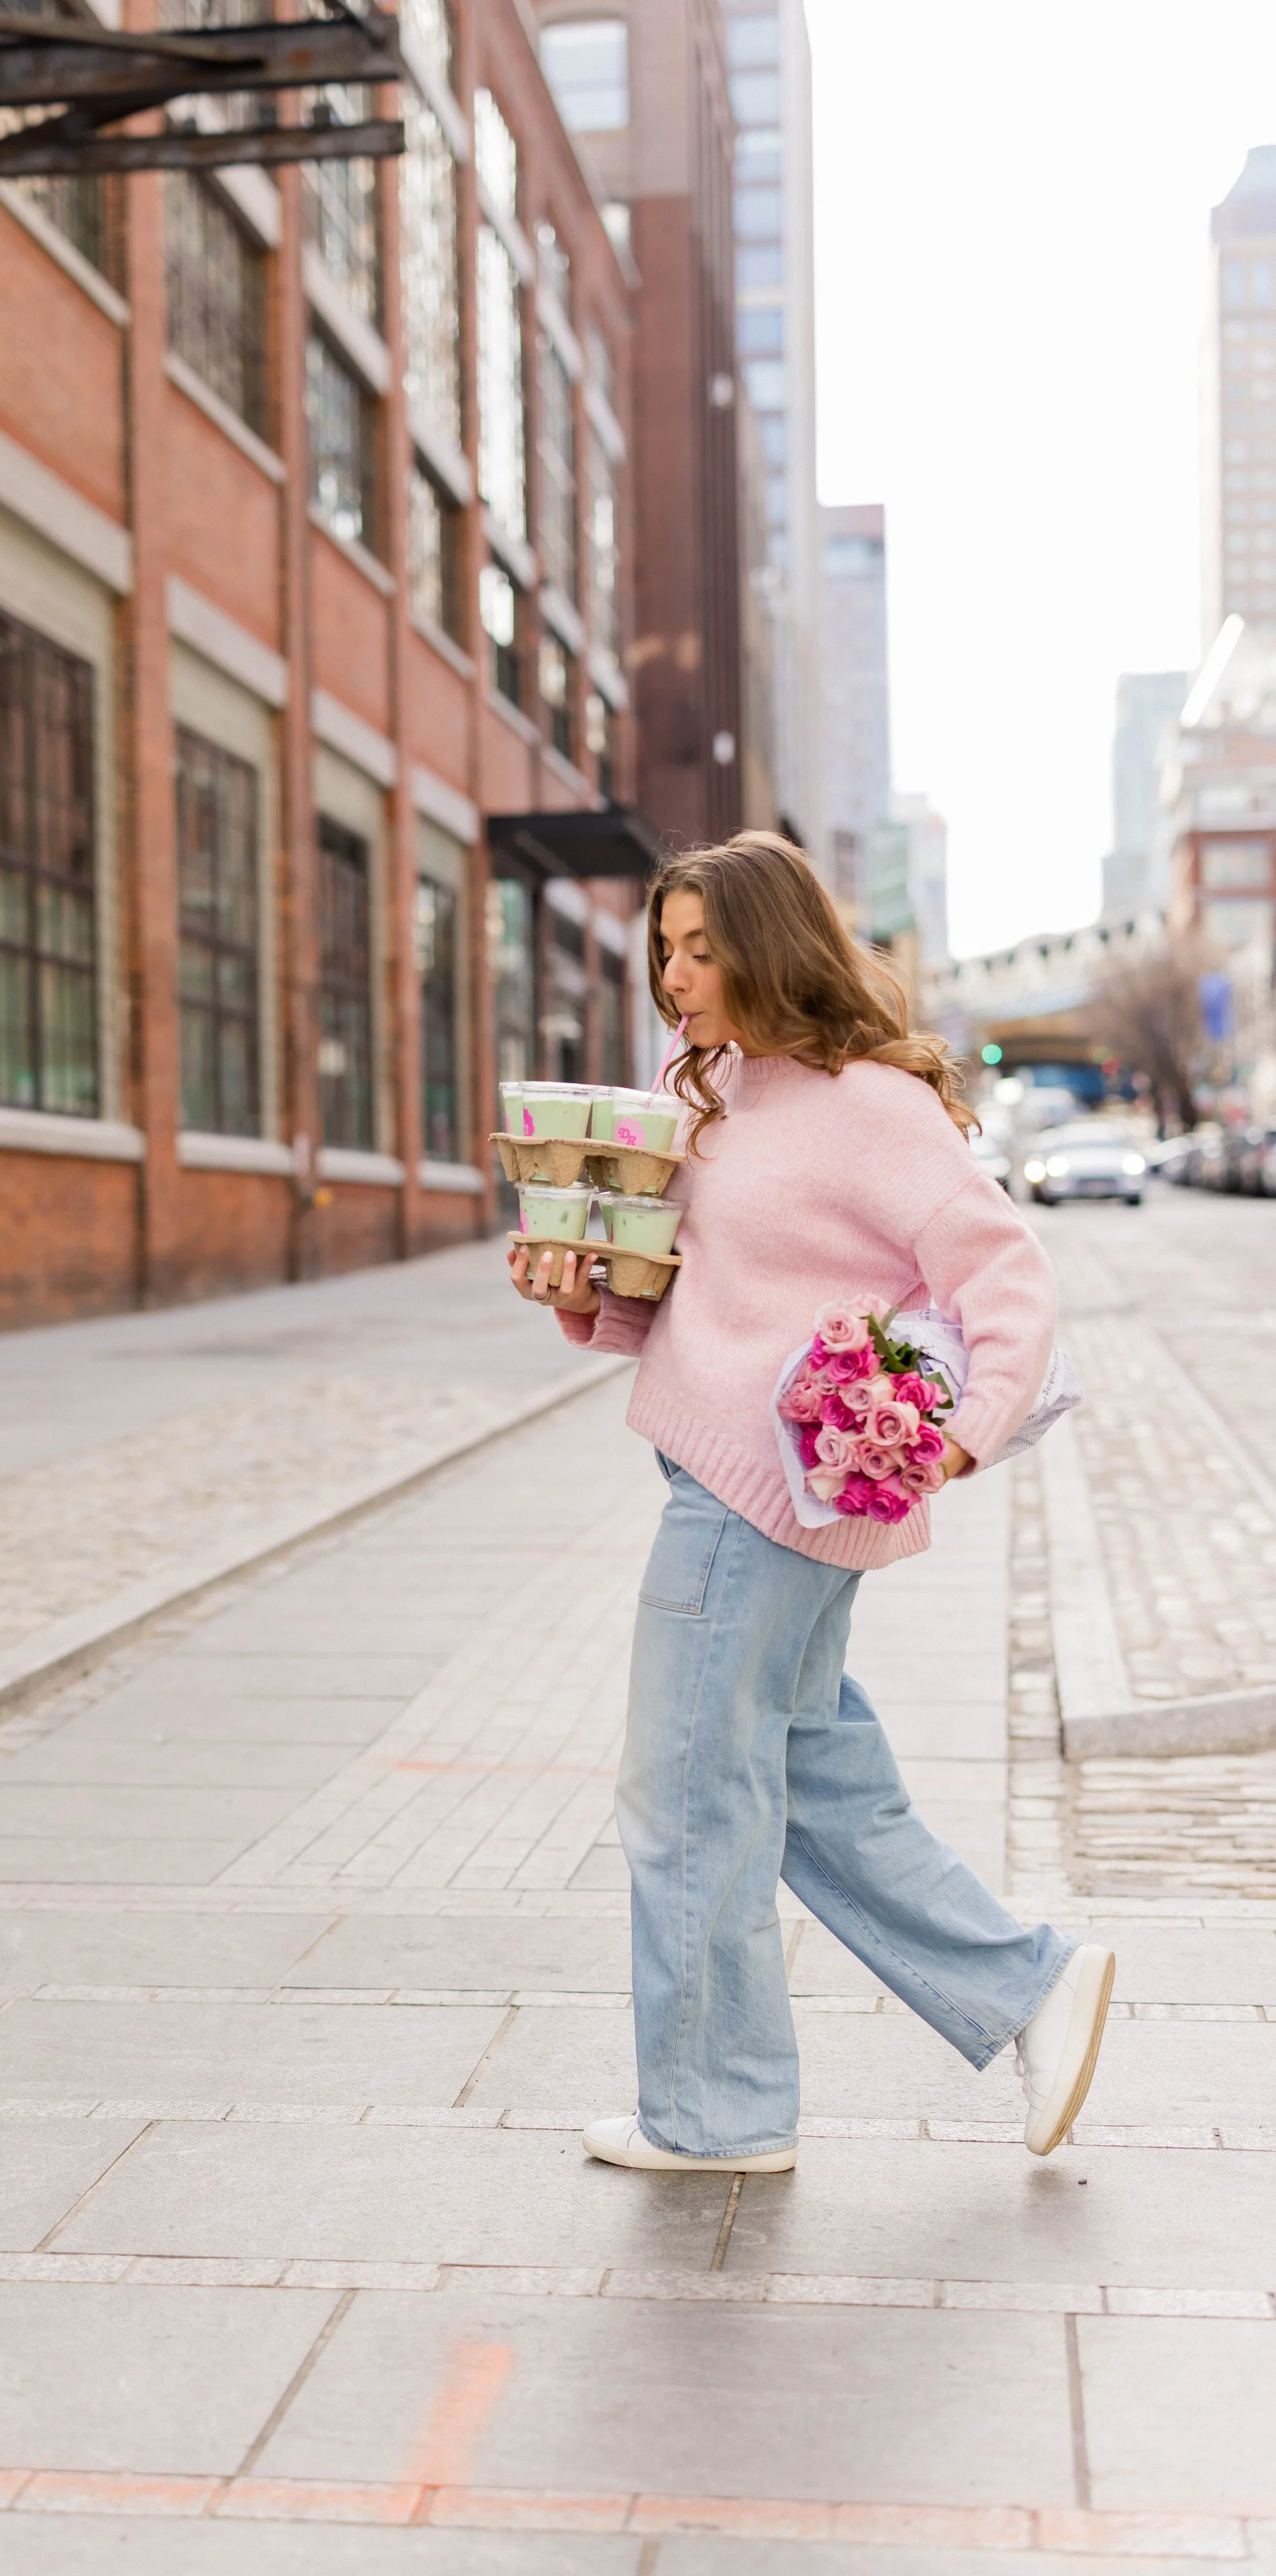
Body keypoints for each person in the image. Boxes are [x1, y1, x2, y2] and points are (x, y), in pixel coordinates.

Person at [509, 833, 1112, 2173]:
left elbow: (1005, 1276)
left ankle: (715, 2113)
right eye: (662, 949)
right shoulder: (715, 1089)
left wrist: (957, 1439)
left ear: (766, 949)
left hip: (759, 1504)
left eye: (698, 950)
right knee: (804, 1773)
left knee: (685, 1794)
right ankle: (1030, 1986)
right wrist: (581, 1292)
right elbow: (699, 1299)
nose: (671, 976)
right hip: (724, 1472)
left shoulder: (865, 1102)